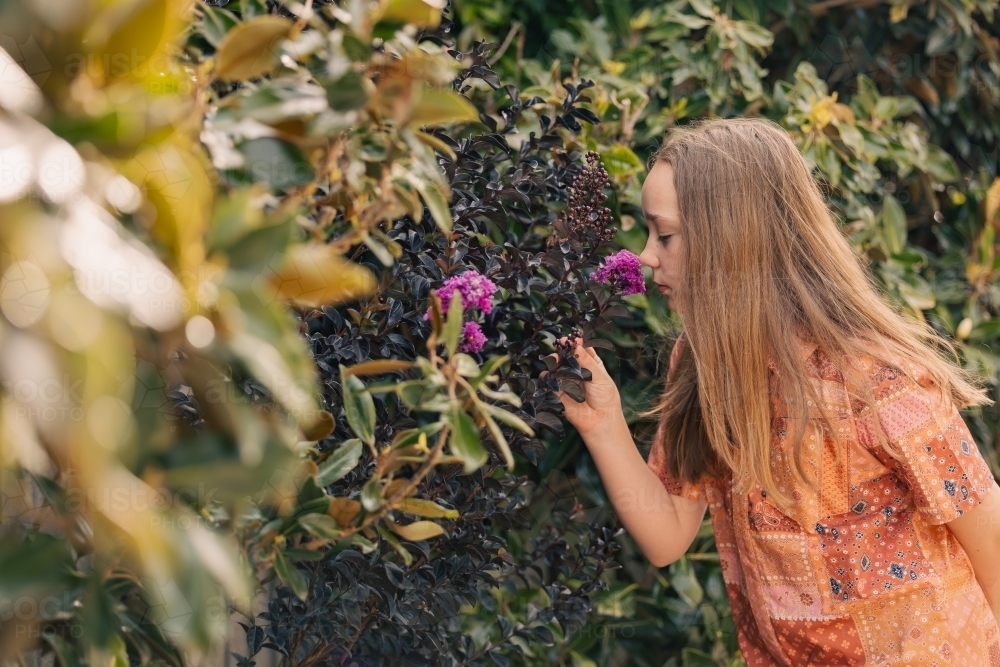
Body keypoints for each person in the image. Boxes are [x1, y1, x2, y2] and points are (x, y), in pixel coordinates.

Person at [556, 117, 1000, 666]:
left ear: (732, 242)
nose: (646, 256)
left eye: (664, 235)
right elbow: (667, 534)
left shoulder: (875, 377)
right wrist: (603, 424)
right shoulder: (702, 364)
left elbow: (992, 541)